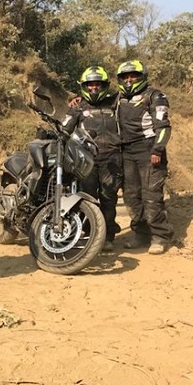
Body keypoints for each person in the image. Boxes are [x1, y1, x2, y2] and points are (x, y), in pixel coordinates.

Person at [116, 60, 174, 254]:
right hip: (126, 153)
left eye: (134, 75)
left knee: (152, 197)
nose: (129, 79)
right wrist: (75, 99)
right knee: (132, 197)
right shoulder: (118, 98)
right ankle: (140, 235)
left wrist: (158, 150)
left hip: (149, 151)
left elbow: (163, 127)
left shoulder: (155, 96)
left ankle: (160, 237)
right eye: (126, 76)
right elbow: (92, 101)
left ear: (142, 76)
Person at [62, 66, 123, 251]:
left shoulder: (114, 103)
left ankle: (108, 237)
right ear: (84, 86)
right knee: (87, 198)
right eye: (90, 85)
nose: (94, 89)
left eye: (98, 85)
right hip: (86, 160)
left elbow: (130, 97)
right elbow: (65, 130)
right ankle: (90, 235)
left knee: (108, 198)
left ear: (105, 85)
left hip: (112, 159)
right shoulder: (78, 106)